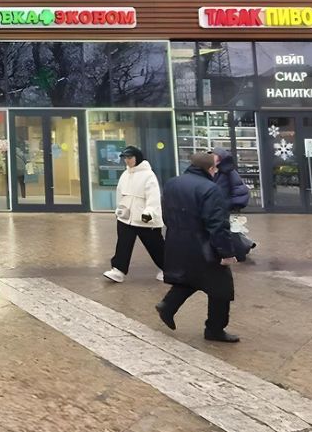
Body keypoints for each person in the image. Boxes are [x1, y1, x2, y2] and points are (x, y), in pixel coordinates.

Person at [155, 152, 240, 343]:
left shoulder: (172, 184)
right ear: (210, 169)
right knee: (221, 288)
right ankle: (215, 329)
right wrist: (226, 252)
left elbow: (166, 214)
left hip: (177, 241)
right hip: (204, 245)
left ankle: (168, 306)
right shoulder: (210, 189)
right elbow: (217, 224)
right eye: (215, 168)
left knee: (191, 278)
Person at [102, 145, 165, 283]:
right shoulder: (125, 174)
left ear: (137, 158)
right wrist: (119, 208)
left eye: (130, 157)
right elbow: (120, 194)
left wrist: (149, 212)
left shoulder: (148, 175)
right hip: (126, 217)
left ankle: (168, 268)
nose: (127, 160)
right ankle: (118, 270)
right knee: (123, 244)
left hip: (145, 219)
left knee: (155, 245)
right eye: (125, 158)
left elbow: (153, 196)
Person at [214, 148, 255, 262]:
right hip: (221, 205)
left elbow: (239, 189)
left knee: (230, 231)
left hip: (225, 206)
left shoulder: (228, 172)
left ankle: (241, 251)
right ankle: (244, 246)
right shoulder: (218, 172)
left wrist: (235, 205)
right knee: (229, 230)